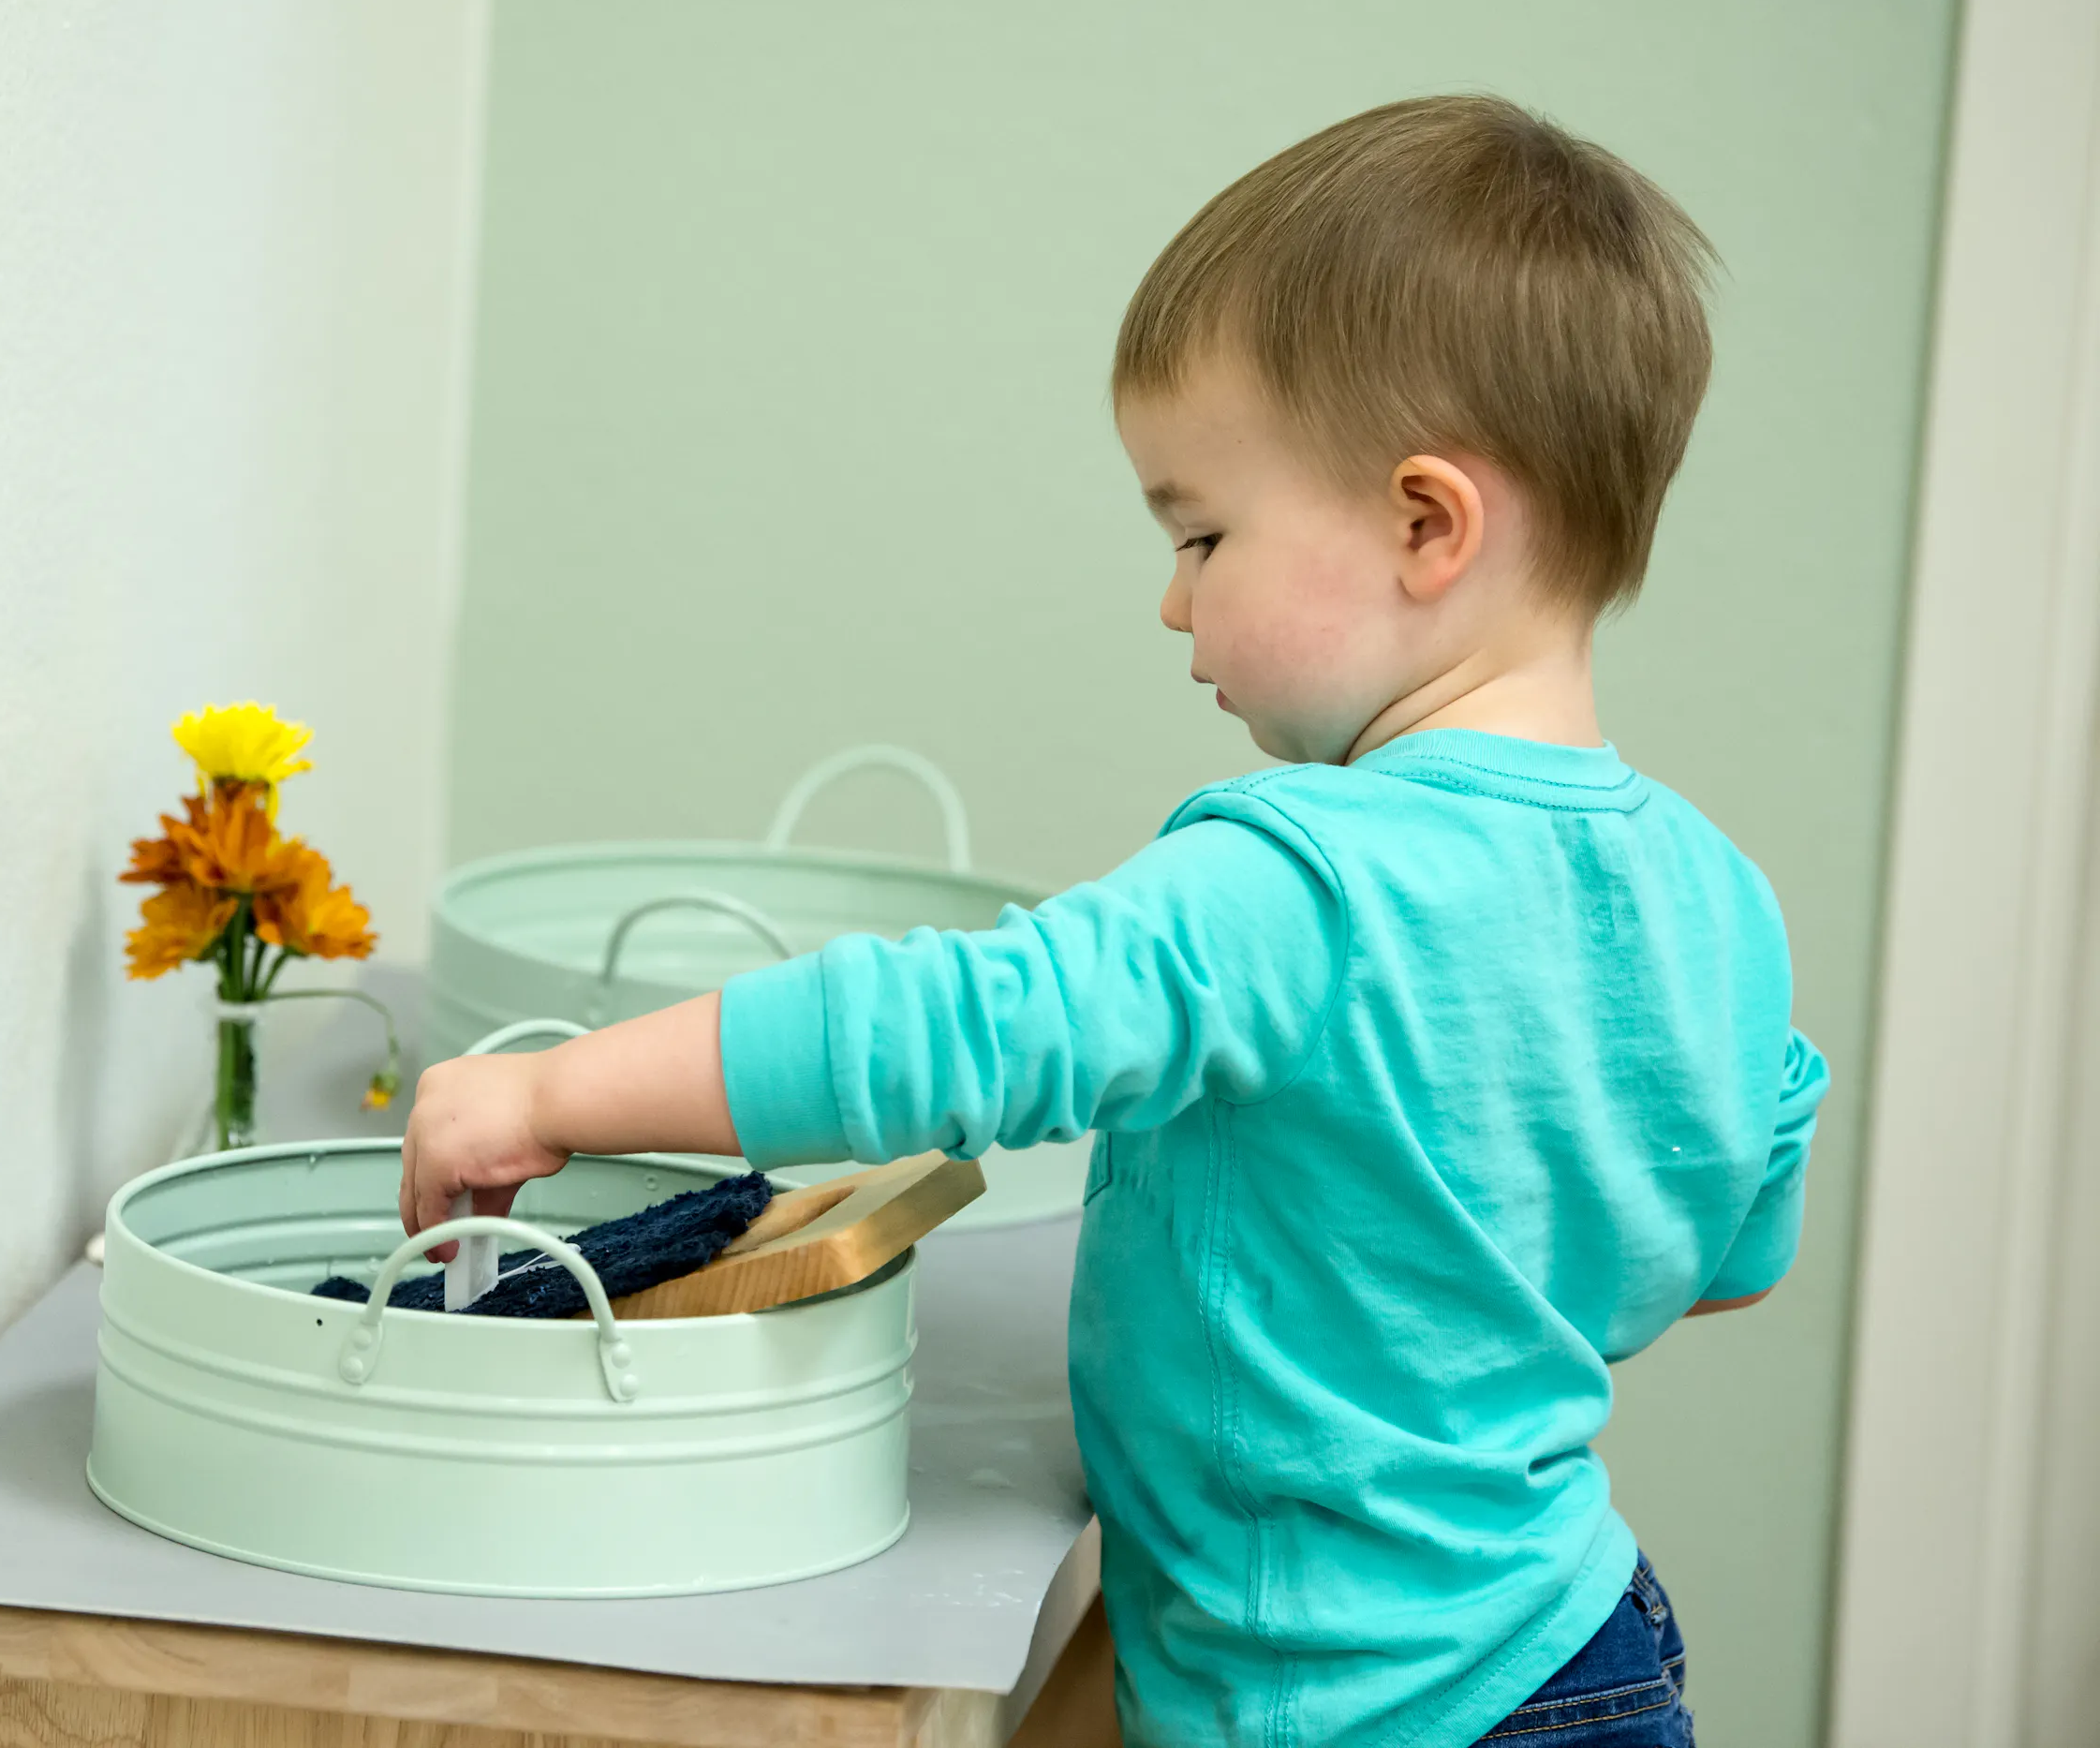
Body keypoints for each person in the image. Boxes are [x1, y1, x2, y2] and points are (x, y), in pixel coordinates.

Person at [397, 94, 1826, 1748]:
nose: (1172, 598)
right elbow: (1730, 1258)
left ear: (1427, 525)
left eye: (1203, 533)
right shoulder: (1720, 897)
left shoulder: (1297, 878)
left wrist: (549, 1091)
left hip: (1348, 1702)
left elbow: (950, 1030)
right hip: (1580, 1647)